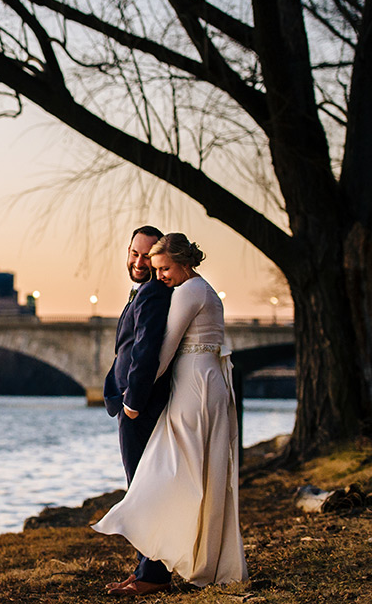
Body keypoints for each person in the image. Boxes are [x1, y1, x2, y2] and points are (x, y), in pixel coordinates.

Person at [93, 233, 248, 594]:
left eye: (162, 266)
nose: (156, 272)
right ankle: (162, 563)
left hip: (194, 388)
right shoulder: (193, 289)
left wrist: (134, 400)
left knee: (165, 473)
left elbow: (159, 351)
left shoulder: (187, 292)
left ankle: (156, 569)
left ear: (182, 261)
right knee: (183, 472)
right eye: (145, 259)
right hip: (199, 383)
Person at [99, 225, 174, 595]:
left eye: (147, 255)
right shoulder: (143, 292)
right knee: (140, 487)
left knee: (144, 489)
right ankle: (146, 566)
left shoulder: (156, 293)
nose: (139, 261)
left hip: (139, 406)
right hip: (132, 402)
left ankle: (154, 575)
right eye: (134, 253)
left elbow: (146, 350)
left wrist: (132, 403)